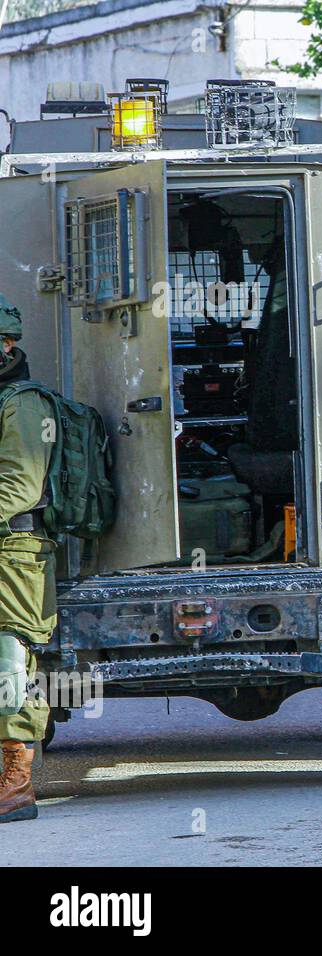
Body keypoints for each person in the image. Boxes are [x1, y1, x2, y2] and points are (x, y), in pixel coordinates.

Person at [0, 293, 57, 824]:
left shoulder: (23, 403)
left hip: (15, 554)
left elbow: (19, 485)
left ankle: (14, 787)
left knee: (10, 665)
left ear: (7, 343)